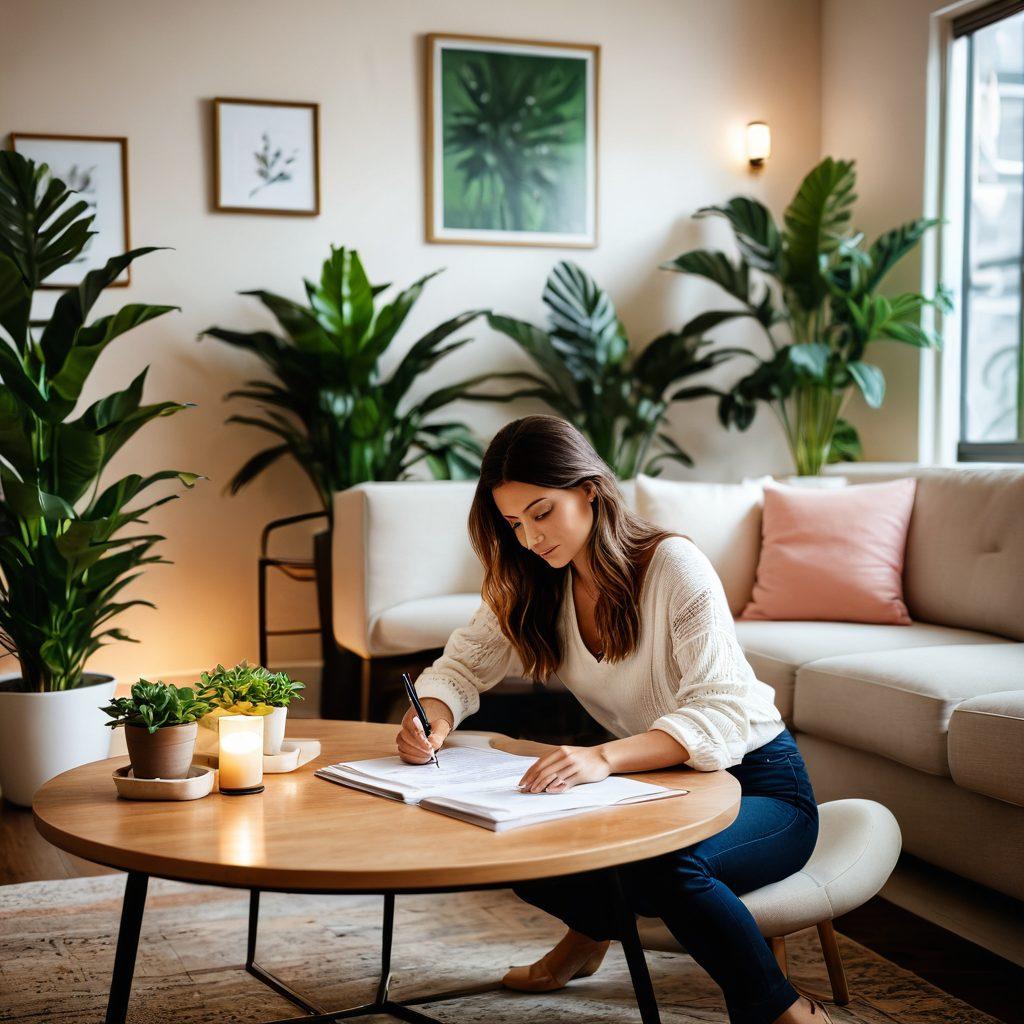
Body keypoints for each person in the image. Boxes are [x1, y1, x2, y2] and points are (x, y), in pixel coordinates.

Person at [394, 415, 832, 1024]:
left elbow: (722, 710)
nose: (529, 539)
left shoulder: (672, 565)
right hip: (656, 787)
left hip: (757, 785)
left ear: (589, 491)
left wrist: (602, 757)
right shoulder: (534, 582)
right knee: (514, 847)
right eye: (514, 523)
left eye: (542, 513)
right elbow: (461, 667)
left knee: (667, 868)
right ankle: (589, 934)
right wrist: (433, 718)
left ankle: (781, 1011)